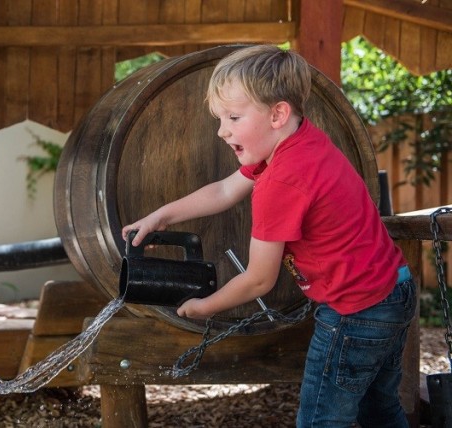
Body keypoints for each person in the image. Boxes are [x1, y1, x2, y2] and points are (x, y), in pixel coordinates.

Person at [121, 44, 416, 427]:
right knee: (380, 410)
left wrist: (204, 306)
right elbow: (225, 191)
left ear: (278, 113)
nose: (222, 130)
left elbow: (260, 278)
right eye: (220, 118)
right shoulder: (299, 142)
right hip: (395, 289)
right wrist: (163, 216)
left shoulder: (281, 180)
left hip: (355, 312)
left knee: (320, 421)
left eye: (233, 117)